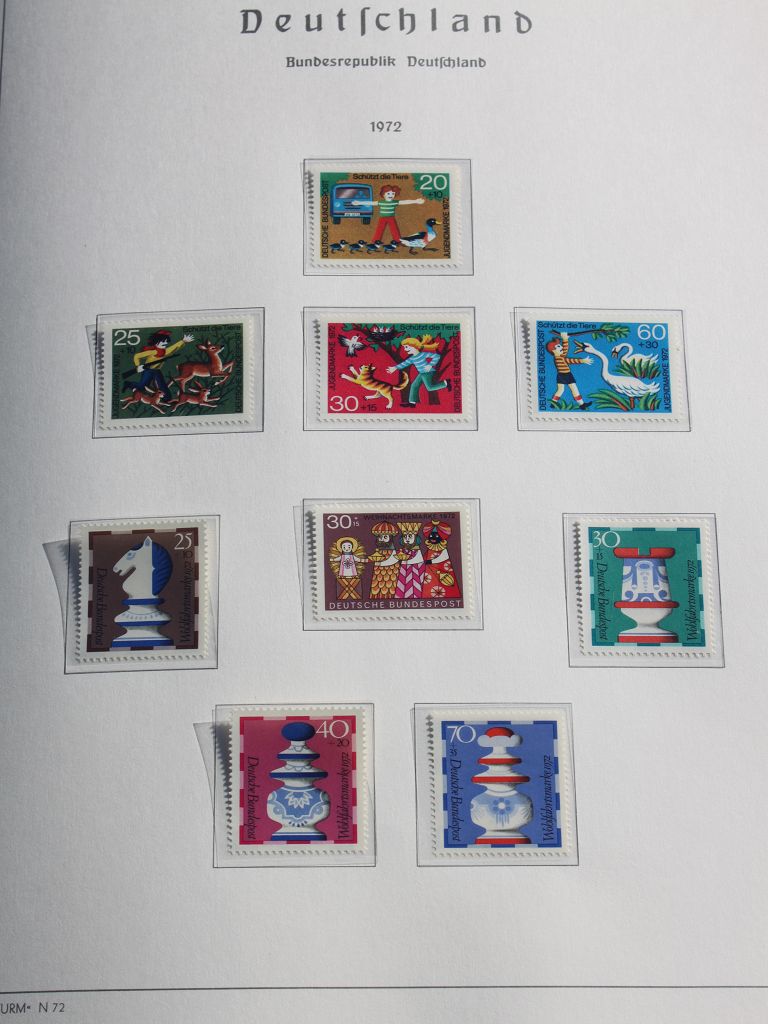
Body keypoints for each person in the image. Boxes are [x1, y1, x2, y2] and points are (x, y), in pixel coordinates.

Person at [127, 330, 191, 400]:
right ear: (156, 342)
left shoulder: (165, 351)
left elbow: (174, 347)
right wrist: (138, 366)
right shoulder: (152, 352)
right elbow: (136, 356)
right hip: (148, 371)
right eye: (163, 341)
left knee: (162, 385)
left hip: (157, 371)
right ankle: (129, 384)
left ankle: (167, 398)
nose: (165, 343)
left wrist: (183, 341)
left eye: (166, 341)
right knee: (142, 386)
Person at [385, 335, 449, 407]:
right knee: (414, 385)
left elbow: (436, 356)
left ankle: (446, 383)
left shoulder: (422, 354)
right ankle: (412, 403)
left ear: (413, 346)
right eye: (404, 347)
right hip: (422, 373)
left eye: (406, 347)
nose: (405, 349)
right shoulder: (412, 358)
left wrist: (430, 365)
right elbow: (404, 363)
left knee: (430, 388)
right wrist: (395, 367)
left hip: (428, 372)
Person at [352, 185, 424, 244]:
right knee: (379, 229)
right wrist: (359, 202)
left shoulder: (394, 202)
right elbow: (371, 203)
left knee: (394, 229)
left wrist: (415, 201)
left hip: (391, 218)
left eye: (393, 194)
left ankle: (398, 241)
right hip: (382, 218)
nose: (391, 195)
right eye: (388, 193)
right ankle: (375, 242)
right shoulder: (381, 202)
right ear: (383, 194)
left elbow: (404, 202)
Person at [546, 332, 592, 409]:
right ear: (553, 351)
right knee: (568, 389)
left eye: (560, 346)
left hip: (565, 375)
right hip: (564, 375)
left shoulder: (560, 356)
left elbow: (565, 352)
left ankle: (581, 404)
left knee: (563, 390)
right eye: (558, 347)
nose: (561, 347)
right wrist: (582, 361)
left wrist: (565, 340)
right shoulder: (559, 358)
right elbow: (569, 360)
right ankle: (581, 404)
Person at [421, 520, 462, 600]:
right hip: (429, 573)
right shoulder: (430, 548)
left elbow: (443, 557)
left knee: (445, 586)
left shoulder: (443, 549)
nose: (433, 538)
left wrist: (431, 561)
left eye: (436, 536)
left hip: (443, 570)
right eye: (431, 536)